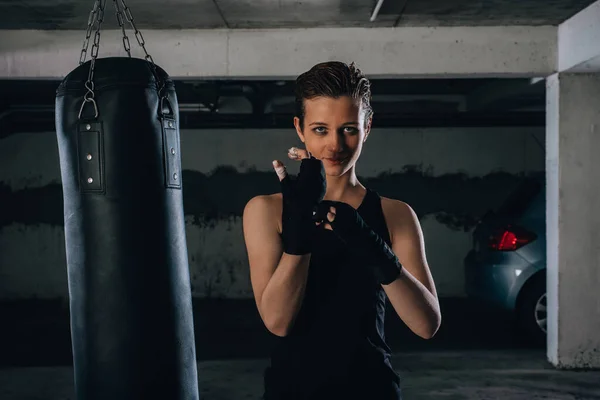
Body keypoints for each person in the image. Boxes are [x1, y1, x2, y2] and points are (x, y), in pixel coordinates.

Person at [242, 61, 441, 400]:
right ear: (300, 129)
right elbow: (278, 321)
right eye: (320, 129)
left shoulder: (395, 214)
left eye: (348, 128)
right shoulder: (266, 210)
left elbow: (426, 325)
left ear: (367, 127)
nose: (335, 145)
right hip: (292, 391)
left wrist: (373, 246)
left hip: (372, 388)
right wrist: (300, 228)